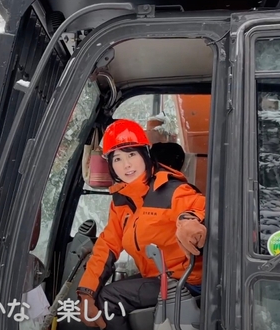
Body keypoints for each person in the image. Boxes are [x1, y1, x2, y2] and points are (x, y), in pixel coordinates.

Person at [76, 119, 207, 330]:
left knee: (110, 299)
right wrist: (86, 292)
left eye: (131, 154)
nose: (126, 165)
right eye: (117, 158)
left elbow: (200, 207)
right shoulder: (122, 200)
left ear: (145, 154)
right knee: (100, 295)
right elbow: (107, 245)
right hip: (159, 277)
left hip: (188, 280)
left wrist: (190, 221)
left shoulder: (171, 190)